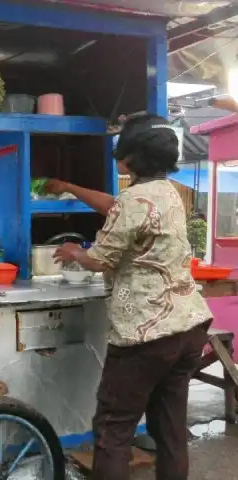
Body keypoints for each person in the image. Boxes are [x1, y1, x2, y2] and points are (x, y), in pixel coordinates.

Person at [48, 114, 212, 480]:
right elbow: (117, 206)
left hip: (145, 334)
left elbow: (99, 260)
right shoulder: (167, 191)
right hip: (187, 328)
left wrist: (75, 252)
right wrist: (72, 187)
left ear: (132, 157)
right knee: (170, 431)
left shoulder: (134, 200)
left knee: (113, 429)